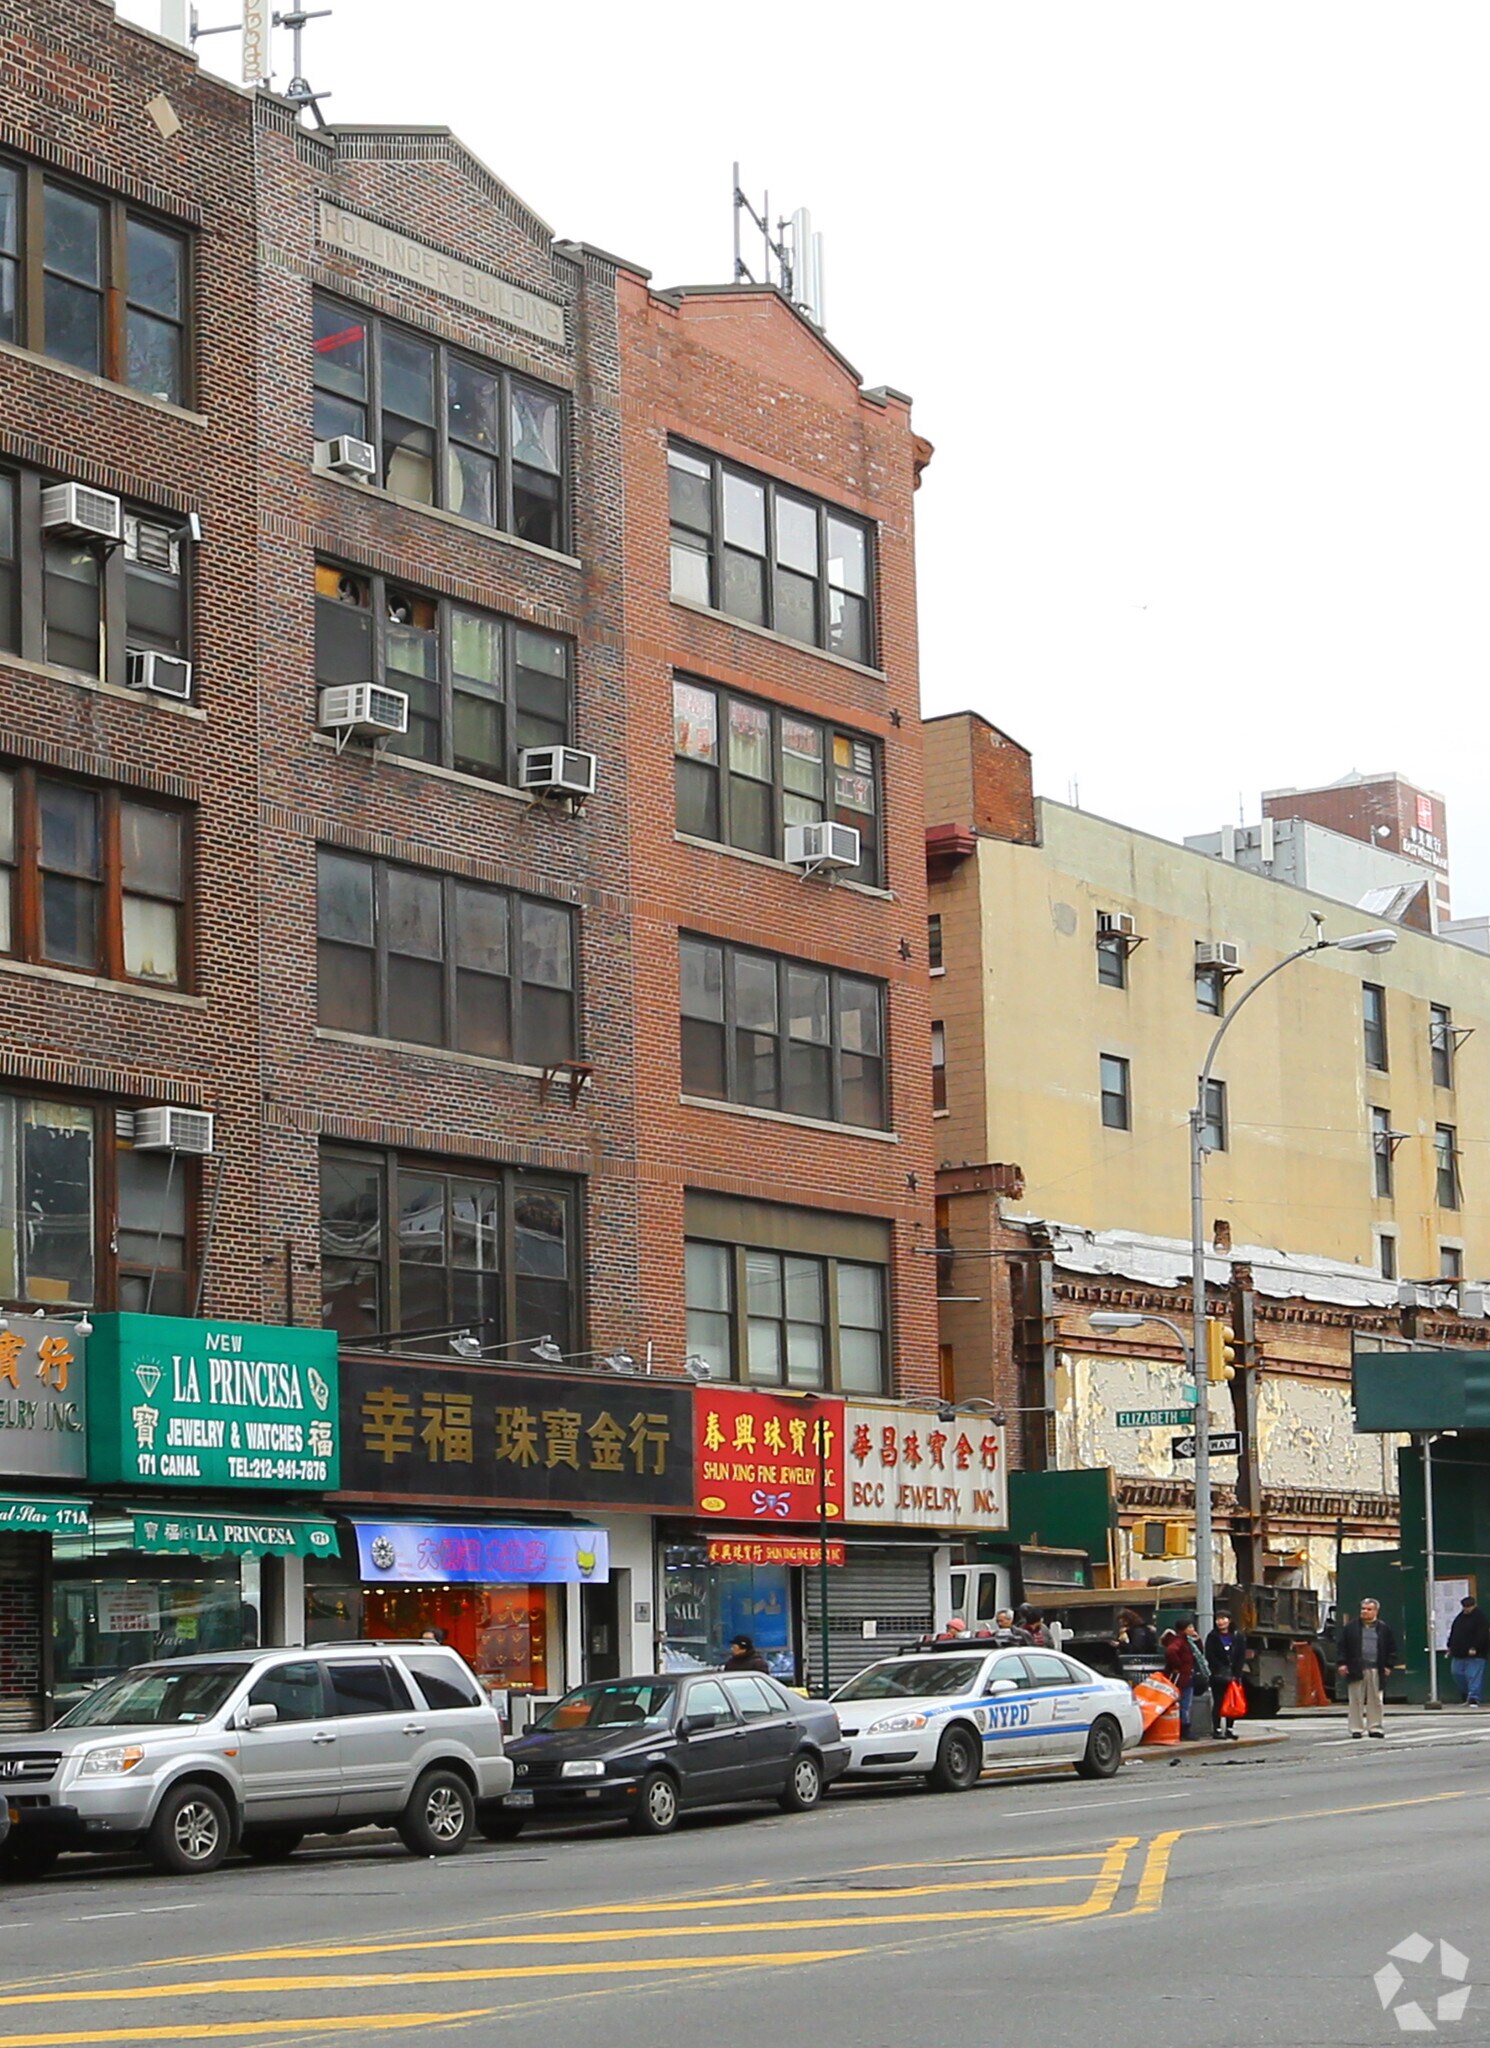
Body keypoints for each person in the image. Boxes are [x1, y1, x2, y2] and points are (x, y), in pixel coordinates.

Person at [1338, 1597, 1400, 1738]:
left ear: (1376, 1611)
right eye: (1363, 1609)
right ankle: (1356, 1728)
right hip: (1356, 1668)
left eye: (1368, 1609)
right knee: (1355, 1699)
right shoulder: (1351, 1628)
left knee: (1375, 1699)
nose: (1365, 1612)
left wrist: (1388, 1665)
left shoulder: (1383, 1629)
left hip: (1376, 1669)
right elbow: (1342, 1647)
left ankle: (1375, 1727)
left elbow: (1392, 1649)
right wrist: (1342, 1664)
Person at [1204, 1608, 1250, 1739]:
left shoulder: (1237, 1636)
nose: (1220, 1622)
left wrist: (1237, 1673)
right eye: (1218, 1619)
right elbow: (1210, 1655)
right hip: (1218, 1675)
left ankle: (1229, 1728)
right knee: (1218, 1701)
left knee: (1233, 1701)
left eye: (1223, 1619)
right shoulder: (1212, 1637)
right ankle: (1217, 1729)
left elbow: (1241, 1656)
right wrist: (1219, 1668)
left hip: (1234, 1675)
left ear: (1229, 1621)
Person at [1447, 1595, 1489, 1707]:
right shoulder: (1460, 1618)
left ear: (1474, 1605)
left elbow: (1483, 1635)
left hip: (1476, 1654)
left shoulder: (1480, 1618)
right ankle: (1467, 1695)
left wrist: (1475, 1647)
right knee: (1457, 1673)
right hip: (1458, 1652)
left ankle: (1474, 1698)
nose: (1466, 1609)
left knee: (1473, 1675)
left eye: (1468, 1607)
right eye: (1465, 1607)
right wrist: (1450, 1646)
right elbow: (1454, 1632)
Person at [1163, 1618, 1203, 1739]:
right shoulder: (1180, 1641)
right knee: (1185, 1704)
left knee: (1185, 1704)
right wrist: (1178, 1666)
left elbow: (1199, 1652)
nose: (1193, 1630)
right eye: (1190, 1627)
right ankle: (1184, 1729)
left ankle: (1183, 1728)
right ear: (1183, 1629)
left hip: (1186, 1676)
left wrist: (1198, 1640)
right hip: (1182, 1677)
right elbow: (1171, 1652)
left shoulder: (1189, 1641)